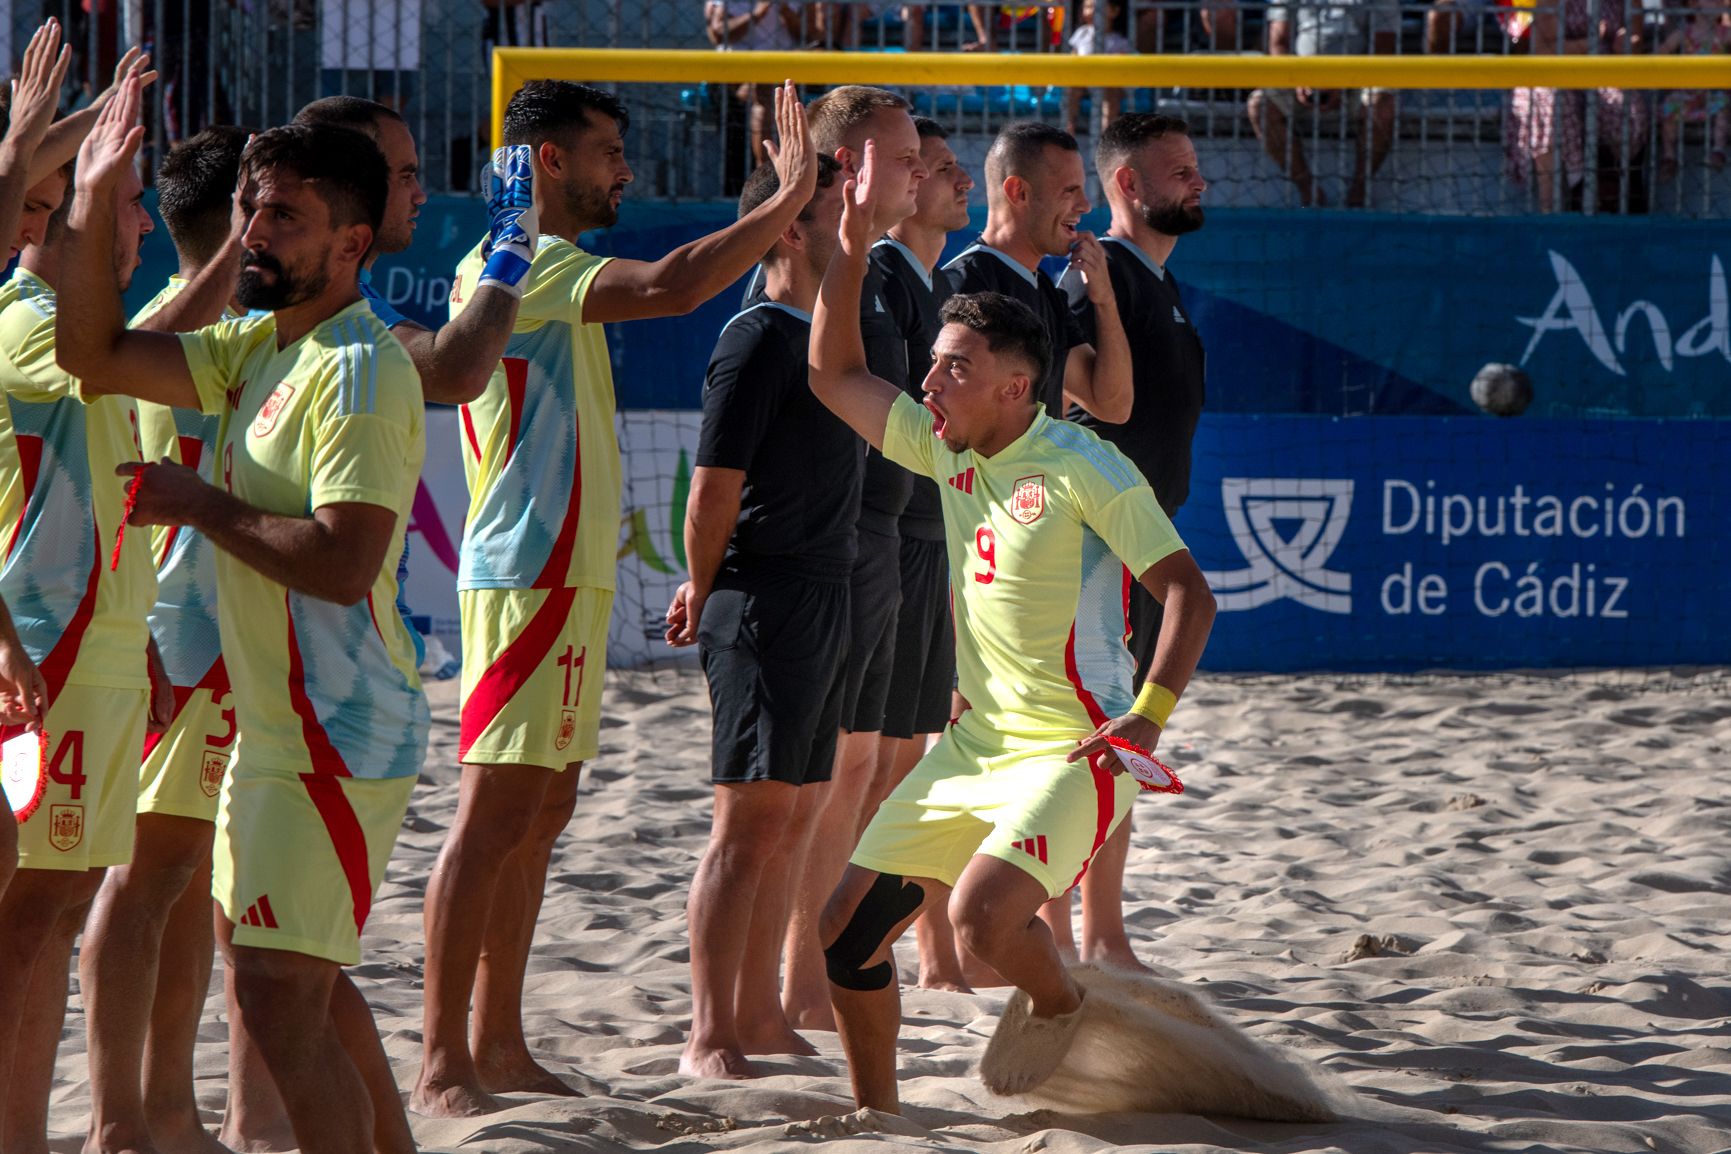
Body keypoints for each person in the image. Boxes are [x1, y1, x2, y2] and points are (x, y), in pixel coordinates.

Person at [413, 77, 817, 1117]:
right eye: (607, 152)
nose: (625, 171)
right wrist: (782, 202)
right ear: (549, 159)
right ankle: (442, 1057)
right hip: (524, 572)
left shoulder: (544, 265)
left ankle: (498, 1041)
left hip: (570, 573)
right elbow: (678, 284)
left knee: (542, 810)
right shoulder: (521, 263)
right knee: (491, 814)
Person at [58, 94, 437, 1154]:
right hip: (278, 732)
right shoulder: (254, 347)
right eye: (247, 208)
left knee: (277, 998)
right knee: (288, 988)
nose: (255, 232)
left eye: (282, 216)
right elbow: (93, 354)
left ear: (353, 242)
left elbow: (344, 559)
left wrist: (200, 506)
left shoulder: (356, 369)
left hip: (337, 735)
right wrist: (94, 197)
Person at [809, 143, 1216, 1113]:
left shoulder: (1081, 464)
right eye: (931, 366)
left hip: (1078, 749)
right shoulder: (949, 450)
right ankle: (880, 1116)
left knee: (989, 920)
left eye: (953, 369)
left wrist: (1147, 724)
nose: (930, 385)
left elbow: (1190, 595)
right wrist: (855, 242)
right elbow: (832, 371)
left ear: (1014, 386)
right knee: (845, 933)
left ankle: (1070, 1005)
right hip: (975, 745)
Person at [0, 82, 174, 1154]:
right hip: (38, 653)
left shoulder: (87, 332)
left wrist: (137, 621)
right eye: (121, 202)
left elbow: (101, 492)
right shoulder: (26, 321)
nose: (140, 220)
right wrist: (35, 155)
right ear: (47, 219)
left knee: (52, 920)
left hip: (97, 645)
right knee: (24, 925)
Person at [665, 154, 858, 1080]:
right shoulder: (756, 338)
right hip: (762, 593)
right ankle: (708, 1031)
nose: (854, 216)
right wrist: (699, 584)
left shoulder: (826, 334)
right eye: (834, 204)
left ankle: (758, 1016)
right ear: (787, 227)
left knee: (790, 818)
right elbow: (711, 489)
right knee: (745, 826)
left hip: (822, 589)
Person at [77, 125, 251, 1154]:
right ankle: (115, 1121)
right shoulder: (161, 333)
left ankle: (169, 1108)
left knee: (184, 885)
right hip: (180, 637)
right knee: (147, 877)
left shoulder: (221, 334)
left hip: (211, 632)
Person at [756, 84, 926, 1038]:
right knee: (823, 780)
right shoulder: (809, 268)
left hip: (875, 539)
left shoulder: (875, 265)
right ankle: (799, 983)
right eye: (899, 154)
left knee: (855, 772)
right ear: (849, 164)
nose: (914, 167)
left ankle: (812, 977)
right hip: (831, 544)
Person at [1047, 112, 1207, 973]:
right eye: (1178, 171)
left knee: (1117, 737)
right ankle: (1063, 927)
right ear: (1126, 186)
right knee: (1085, 736)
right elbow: (1058, 405)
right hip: (1094, 550)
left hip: (1135, 546)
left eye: (1194, 168)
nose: (1198, 182)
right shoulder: (1095, 280)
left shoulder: (1152, 282)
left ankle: (1100, 935)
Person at [868, 116, 974, 992]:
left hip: (926, 536)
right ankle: (868, 953)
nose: (951, 180)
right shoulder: (882, 280)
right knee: (884, 765)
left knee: (919, 753)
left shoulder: (927, 285)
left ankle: (925, 951)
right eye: (933, 168)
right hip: (892, 538)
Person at [943, 121, 1131, 426]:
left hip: (1033, 477)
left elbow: (1112, 406)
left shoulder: (1044, 290)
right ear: (1018, 192)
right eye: (1070, 191)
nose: (1084, 205)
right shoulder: (964, 287)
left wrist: (1105, 300)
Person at [1246, 0, 1398, 208]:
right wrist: (1298, 80)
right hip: (1299, 78)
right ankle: (1309, 192)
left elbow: (1383, 47)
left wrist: (1342, 83)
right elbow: (1279, 42)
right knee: (1260, 105)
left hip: (1359, 79)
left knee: (1382, 105)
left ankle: (1358, 192)